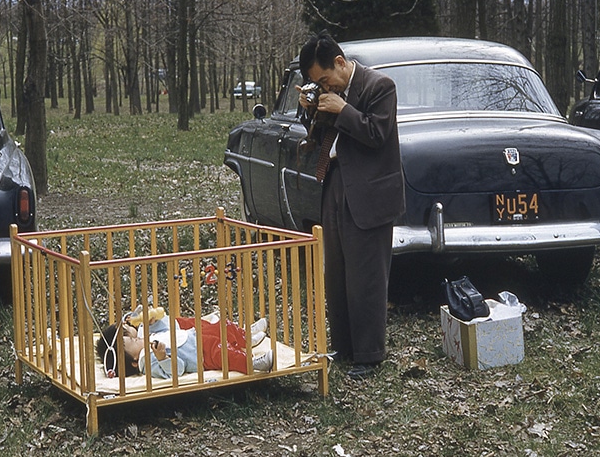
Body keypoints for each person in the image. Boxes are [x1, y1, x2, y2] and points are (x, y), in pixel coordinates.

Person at [297, 30, 405, 379]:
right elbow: (319, 136)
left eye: (325, 79)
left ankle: (370, 355)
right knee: (339, 272)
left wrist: (343, 109)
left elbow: (376, 133)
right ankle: (344, 347)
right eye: (317, 84)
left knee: (367, 275)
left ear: (340, 63)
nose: (324, 87)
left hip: (370, 192)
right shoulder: (332, 93)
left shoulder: (379, 87)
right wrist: (309, 111)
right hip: (336, 183)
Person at [96, 310, 272, 379]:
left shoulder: (148, 338)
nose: (137, 338)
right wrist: (163, 357)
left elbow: (168, 327)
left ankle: (245, 337)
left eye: (132, 337)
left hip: (194, 337)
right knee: (224, 353)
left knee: (221, 326)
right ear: (134, 361)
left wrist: (153, 321)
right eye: (133, 342)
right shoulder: (148, 362)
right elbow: (176, 370)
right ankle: (253, 364)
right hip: (200, 354)